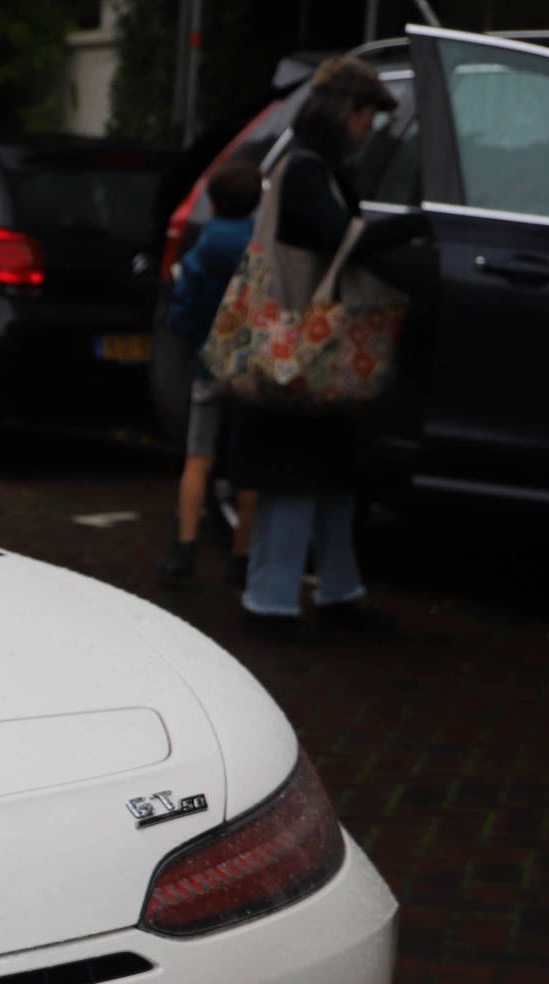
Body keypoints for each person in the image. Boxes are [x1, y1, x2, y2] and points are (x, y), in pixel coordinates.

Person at [226, 57, 425, 639]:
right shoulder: (310, 171)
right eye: (367, 116)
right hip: (303, 349)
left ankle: (334, 594)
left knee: (331, 476)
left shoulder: (305, 166)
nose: (369, 130)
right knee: (297, 475)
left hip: (298, 344)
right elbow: (341, 240)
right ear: (346, 112)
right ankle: (272, 605)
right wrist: (414, 225)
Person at [158, 156, 261, 586]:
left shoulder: (201, 251)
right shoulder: (261, 249)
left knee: (198, 459)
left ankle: (185, 548)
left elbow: (181, 313)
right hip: (252, 370)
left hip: (207, 365)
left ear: (213, 205)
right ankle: (241, 554)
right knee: (249, 467)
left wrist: (190, 334)